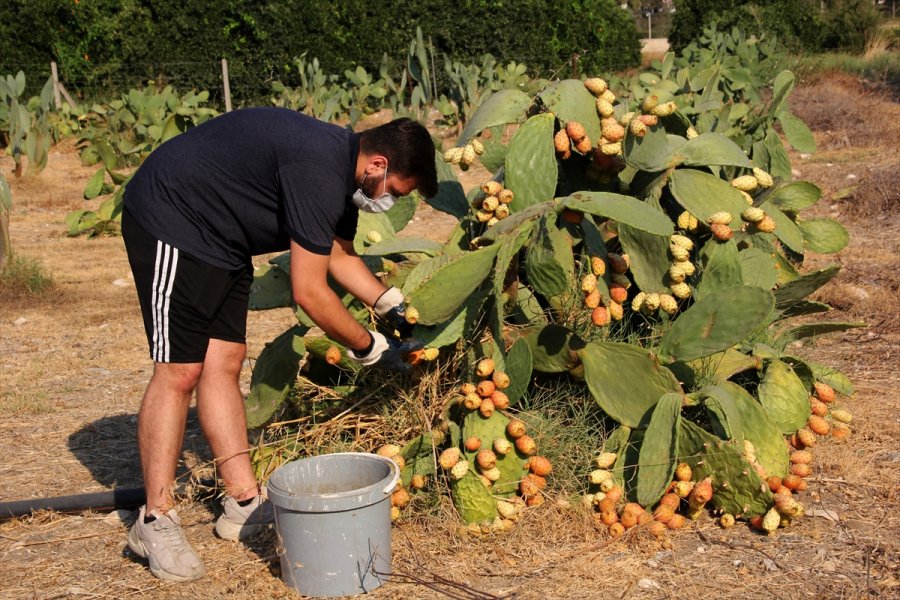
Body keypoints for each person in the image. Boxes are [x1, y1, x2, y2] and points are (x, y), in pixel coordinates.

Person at [120, 108, 437, 582]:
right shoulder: (317, 169)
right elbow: (308, 291)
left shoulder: (342, 174)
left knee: (224, 361)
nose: (388, 200)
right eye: (394, 191)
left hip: (223, 238)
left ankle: (242, 501)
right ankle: (155, 519)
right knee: (179, 371)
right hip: (173, 218)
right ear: (378, 165)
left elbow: (337, 253)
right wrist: (367, 345)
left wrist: (390, 303)